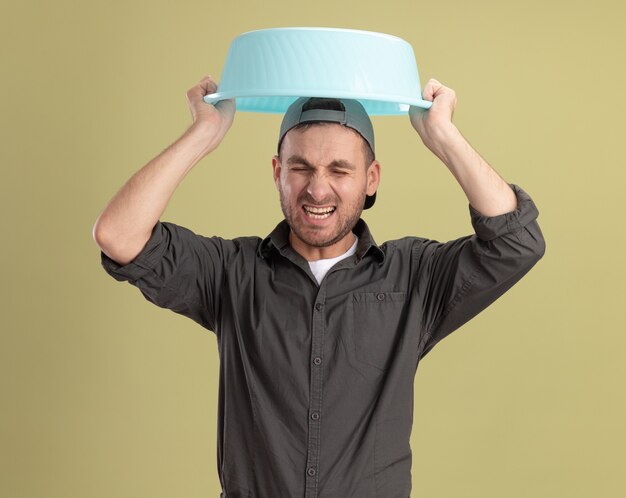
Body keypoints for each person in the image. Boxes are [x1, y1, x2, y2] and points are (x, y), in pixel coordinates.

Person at [93, 74, 545, 498]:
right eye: (301, 167)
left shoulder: (413, 277)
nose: (318, 189)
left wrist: (444, 138)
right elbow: (119, 235)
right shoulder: (231, 272)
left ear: (371, 179)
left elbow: (516, 242)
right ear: (277, 173)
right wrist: (202, 135)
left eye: (340, 170)